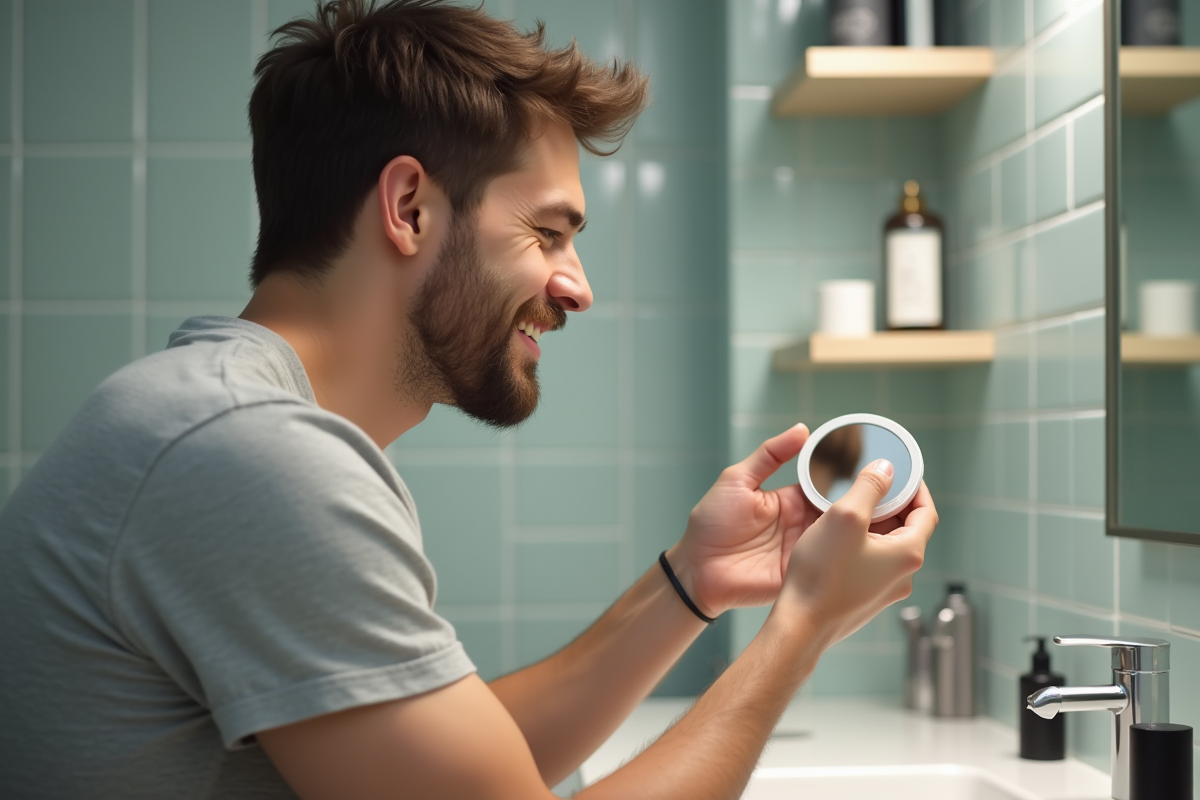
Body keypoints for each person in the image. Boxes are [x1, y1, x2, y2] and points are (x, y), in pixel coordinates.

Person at [0, 1, 937, 798]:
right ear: (409, 207)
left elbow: (463, 765)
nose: (578, 288)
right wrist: (801, 630)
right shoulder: (251, 454)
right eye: (548, 232)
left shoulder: (219, 422)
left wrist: (693, 582)